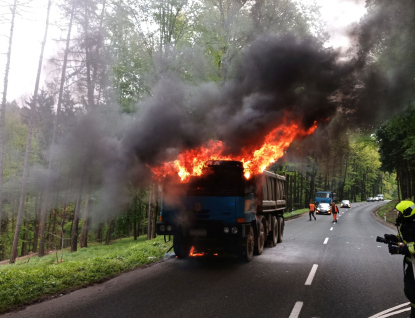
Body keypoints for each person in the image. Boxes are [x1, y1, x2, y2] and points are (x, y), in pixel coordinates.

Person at [385, 200, 415, 318]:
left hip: (413, 263)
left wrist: (401, 250)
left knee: (412, 291)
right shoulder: (405, 226)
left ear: (407, 213)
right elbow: (403, 240)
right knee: (410, 291)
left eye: (400, 213)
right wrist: (392, 239)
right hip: (410, 263)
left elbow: (411, 246)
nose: (398, 215)